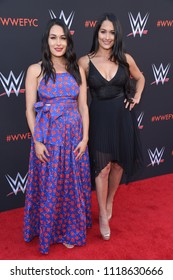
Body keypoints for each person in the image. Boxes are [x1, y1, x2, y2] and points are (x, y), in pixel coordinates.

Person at [23, 18, 92, 254]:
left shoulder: (77, 69)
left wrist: (85, 138)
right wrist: (37, 140)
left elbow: (83, 107)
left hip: (74, 137)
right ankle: (48, 230)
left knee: (71, 184)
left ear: (68, 40)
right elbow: (29, 108)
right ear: (47, 40)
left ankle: (70, 230)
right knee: (51, 184)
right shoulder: (35, 70)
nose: (58, 42)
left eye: (63, 37)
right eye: (53, 37)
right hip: (49, 138)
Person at [78, 13, 145, 241]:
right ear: (97, 33)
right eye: (103, 31)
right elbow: (79, 99)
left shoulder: (125, 58)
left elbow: (141, 78)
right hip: (99, 119)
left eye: (112, 33)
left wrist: (136, 96)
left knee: (117, 166)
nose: (107, 37)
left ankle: (110, 201)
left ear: (117, 36)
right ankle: (103, 217)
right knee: (102, 168)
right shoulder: (84, 62)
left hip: (123, 117)